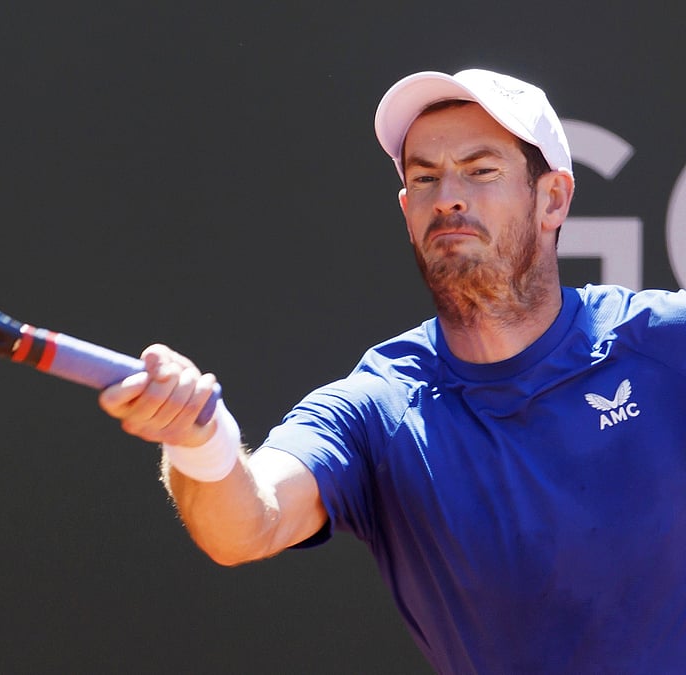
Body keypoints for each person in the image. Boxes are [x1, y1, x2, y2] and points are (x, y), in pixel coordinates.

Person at [99, 68, 686, 673]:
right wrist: (197, 442)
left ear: (553, 199)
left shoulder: (667, 341)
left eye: (481, 170)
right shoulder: (379, 407)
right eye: (425, 178)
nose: (448, 196)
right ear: (408, 210)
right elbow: (246, 526)